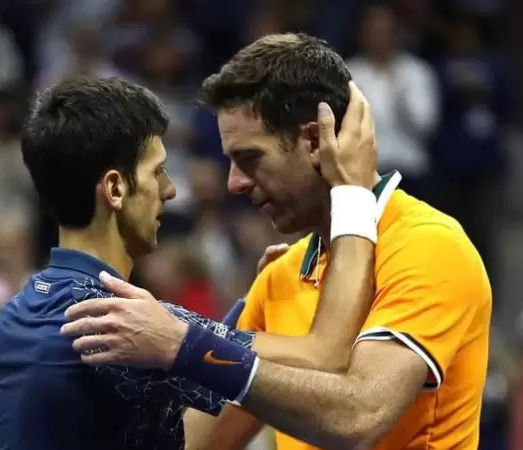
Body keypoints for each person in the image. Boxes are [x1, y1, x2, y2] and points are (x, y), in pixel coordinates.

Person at [61, 34, 492, 450]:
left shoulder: (429, 246)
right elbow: (194, 442)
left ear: (314, 141)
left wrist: (182, 343)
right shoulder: (279, 276)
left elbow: (357, 417)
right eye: (230, 161)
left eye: (250, 159)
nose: (234, 183)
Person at [0, 74, 379, 450]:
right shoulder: (117, 325)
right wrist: (352, 192)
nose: (170, 190)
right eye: (157, 172)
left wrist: (250, 308)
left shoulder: (15, 317)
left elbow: (197, 375)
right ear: (115, 188)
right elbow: (326, 355)